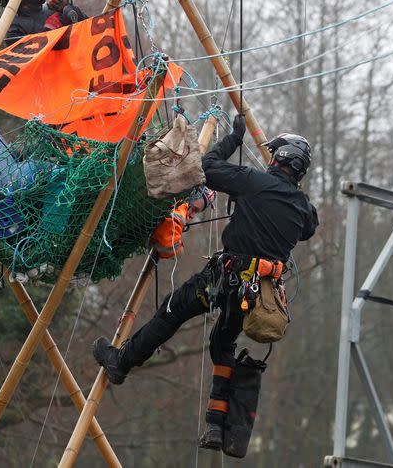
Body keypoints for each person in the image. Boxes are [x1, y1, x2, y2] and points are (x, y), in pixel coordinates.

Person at [92, 113, 318, 449]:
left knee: (171, 312)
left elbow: (207, 167)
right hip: (257, 295)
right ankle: (215, 427)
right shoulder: (302, 208)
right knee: (222, 345)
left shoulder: (253, 182)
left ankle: (121, 362)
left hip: (225, 279)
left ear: (279, 159)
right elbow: (308, 228)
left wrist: (235, 139)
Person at [149, 186, 215, 259]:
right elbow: (169, 246)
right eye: (194, 209)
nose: (192, 216)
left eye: (196, 212)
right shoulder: (179, 211)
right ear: (188, 198)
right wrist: (179, 248)